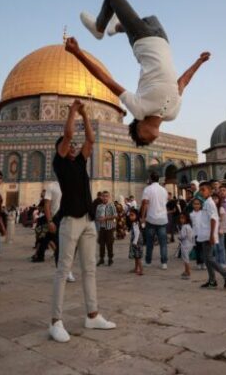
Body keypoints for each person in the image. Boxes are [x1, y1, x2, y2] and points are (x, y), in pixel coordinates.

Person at [73, 0, 212, 146]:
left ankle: (99, 28)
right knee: (150, 18)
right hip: (162, 40)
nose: (151, 140)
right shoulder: (172, 113)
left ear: (139, 124)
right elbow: (183, 82)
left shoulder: (139, 109)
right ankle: (116, 28)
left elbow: (106, 80)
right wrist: (199, 62)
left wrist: (78, 54)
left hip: (142, 40)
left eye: (144, 138)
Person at [49, 99, 115, 343]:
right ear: (61, 150)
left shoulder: (79, 162)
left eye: (74, 146)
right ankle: (55, 321)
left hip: (88, 221)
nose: (74, 147)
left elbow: (90, 140)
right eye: (69, 146)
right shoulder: (60, 163)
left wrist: (86, 115)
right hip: (70, 220)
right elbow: (67, 135)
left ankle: (92, 315)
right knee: (63, 270)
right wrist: (72, 112)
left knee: (89, 269)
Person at [193, 183, 226, 289]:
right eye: (200, 190)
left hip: (208, 235)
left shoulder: (210, 203)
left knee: (209, 258)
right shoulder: (206, 202)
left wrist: (211, 235)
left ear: (210, 191)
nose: (201, 192)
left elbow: (214, 219)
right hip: (204, 234)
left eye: (203, 190)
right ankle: (212, 280)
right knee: (206, 259)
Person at [141, 172, 169, 269]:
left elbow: (145, 204)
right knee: (163, 243)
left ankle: (148, 261)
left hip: (151, 219)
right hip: (162, 219)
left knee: (149, 242)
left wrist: (142, 217)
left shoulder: (147, 189)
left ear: (151, 179)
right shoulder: (164, 190)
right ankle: (164, 263)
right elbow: (165, 202)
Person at [96, 190, 117, 267]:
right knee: (101, 244)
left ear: (109, 197)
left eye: (106, 196)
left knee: (109, 244)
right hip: (101, 228)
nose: (105, 198)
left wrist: (105, 218)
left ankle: (110, 259)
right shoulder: (99, 206)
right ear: (101, 197)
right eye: (103, 196)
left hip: (109, 228)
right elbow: (96, 217)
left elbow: (115, 215)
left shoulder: (111, 205)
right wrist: (98, 221)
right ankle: (101, 259)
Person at [178, 212, 194, 279]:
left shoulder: (184, 227)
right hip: (190, 244)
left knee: (186, 259)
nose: (181, 220)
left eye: (183, 218)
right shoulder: (189, 226)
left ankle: (188, 272)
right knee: (186, 259)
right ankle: (186, 271)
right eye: (180, 218)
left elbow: (183, 236)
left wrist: (179, 237)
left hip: (185, 245)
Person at [128, 207, 144, 276]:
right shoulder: (137, 222)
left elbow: (137, 234)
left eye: (132, 215)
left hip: (136, 243)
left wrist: (134, 242)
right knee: (136, 256)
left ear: (136, 216)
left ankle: (141, 270)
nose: (130, 217)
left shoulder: (135, 224)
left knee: (138, 257)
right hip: (138, 242)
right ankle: (136, 268)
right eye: (130, 215)